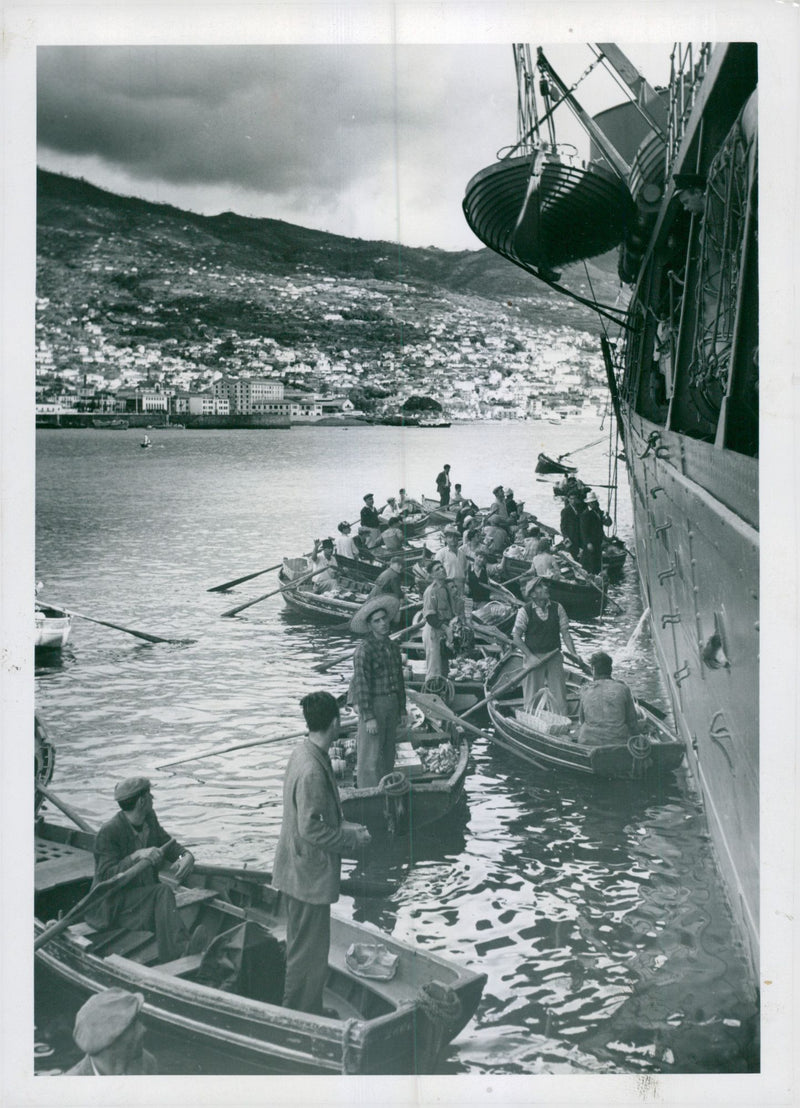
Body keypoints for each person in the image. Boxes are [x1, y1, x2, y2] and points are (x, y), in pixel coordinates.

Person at [272, 692, 371, 1017]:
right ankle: (295, 1017)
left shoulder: (303, 751)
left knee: (309, 950)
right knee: (306, 953)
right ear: (334, 723)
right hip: (307, 877)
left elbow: (316, 818)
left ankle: (309, 1007)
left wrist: (348, 826)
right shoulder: (312, 770)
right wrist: (351, 841)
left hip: (297, 869)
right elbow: (311, 830)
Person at [85, 778, 199, 964]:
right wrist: (136, 856)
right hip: (112, 904)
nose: (153, 797)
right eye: (149, 795)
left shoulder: (149, 818)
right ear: (142, 801)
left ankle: (174, 950)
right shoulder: (109, 832)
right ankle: (179, 953)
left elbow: (167, 845)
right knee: (162, 892)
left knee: (161, 896)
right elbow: (106, 877)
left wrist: (185, 856)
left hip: (140, 896)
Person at [348, 595, 407, 788]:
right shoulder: (364, 650)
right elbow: (361, 685)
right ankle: (369, 794)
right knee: (369, 757)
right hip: (374, 705)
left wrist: (402, 710)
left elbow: (399, 681)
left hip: (391, 704)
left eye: (384, 619)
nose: (383, 623)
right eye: (377, 621)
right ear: (370, 626)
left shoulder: (393, 647)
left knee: (388, 753)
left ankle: (386, 789)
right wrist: (368, 716)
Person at [511, 577, 581, 717]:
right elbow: (516, 638)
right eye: (540, 587)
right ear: (533, 594)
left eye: (544, 586)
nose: (545, 588)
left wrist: (574, 653)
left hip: (554, 655)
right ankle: (532, 721)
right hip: (533, 657)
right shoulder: (525, 611)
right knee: (532, 694)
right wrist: (530, 657)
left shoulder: (557, 607)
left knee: (559, 693)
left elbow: (565, 633)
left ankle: (562, 720)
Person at [65, 989, 156, 1075]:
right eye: (133, 1024)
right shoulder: (69, 1088)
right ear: (112, 1043)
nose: (143, 1029)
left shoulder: (147, 1063)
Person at [578, 651, 641, 746]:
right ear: (610, 669)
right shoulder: (623, 688)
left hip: (589, 742)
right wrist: (638, 738)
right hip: (619, 742)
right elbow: (632, 723)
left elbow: (582, 721)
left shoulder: (585, 690)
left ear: (593, 670)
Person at [421, 561, 458, 681]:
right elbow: (430, 617)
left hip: (444, 633)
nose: (442, 569)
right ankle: (431, 695)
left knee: (444, 669)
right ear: (432, 575)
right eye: (437, 569)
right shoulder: (431, 591)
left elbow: (451, 611)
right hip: (433, 632)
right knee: (434, 670)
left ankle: (443, 696)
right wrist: (447, 629)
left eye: (442, 566)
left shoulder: (446, 589)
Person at [580, 492, 612, 574]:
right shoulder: (585, 514)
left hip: (598, 541)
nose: (594, 504)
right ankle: (590, 576)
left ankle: (597, 576)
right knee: (590, 561)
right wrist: (588, 543)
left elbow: (608, 523)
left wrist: (607, 517)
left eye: (595, 502)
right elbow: (584, 531)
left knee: (597, 561)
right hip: (591, 542)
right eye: (592, 502)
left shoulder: (599, 512)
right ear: (589, 503)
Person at [436, 524, 468, 600]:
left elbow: (465, 571)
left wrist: (466, 584)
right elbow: (436, 573)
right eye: (450, 537)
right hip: (448, 586)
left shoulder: (462, 554)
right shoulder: (441, 553)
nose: (453, 539)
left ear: (458, 539)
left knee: (460, 607)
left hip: (461, 586)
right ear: (446, 539)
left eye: (455, 537)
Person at [560, 493, 584, 558]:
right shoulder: (565, 511)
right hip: (571, 537)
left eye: (574, 498)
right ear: (568, 499)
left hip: (579, 537)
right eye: (571, 499)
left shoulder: (579, 509)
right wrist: (566, 537)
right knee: (573, 555)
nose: (573, 500)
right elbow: (563, 526)